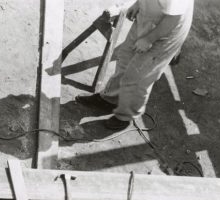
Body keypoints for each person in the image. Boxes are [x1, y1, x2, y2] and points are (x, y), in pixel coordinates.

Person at [77, 0, 194, 131]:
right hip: (149, 16)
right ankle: (110, 99)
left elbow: (174, 18)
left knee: (138, 76)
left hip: (165, 31)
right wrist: (139, 3)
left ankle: (125, 116)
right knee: (125, 59)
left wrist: (149, 39)